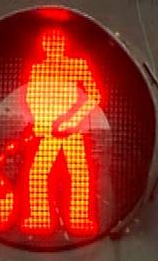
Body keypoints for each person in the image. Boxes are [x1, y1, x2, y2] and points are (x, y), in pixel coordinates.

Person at [23, 29, 101, 236]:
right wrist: (39, 121)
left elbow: (94, 95)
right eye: (49, 44)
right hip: (48, 129)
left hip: (72, 130)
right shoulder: (38, 69)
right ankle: (40, 217)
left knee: (79, 174)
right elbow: (31, 97)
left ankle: (79, 217)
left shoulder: (77, 66)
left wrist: (73, 120)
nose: (52, 48)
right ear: (44, 47)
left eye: (57, 43)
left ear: (63, 46)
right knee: (38, 172)